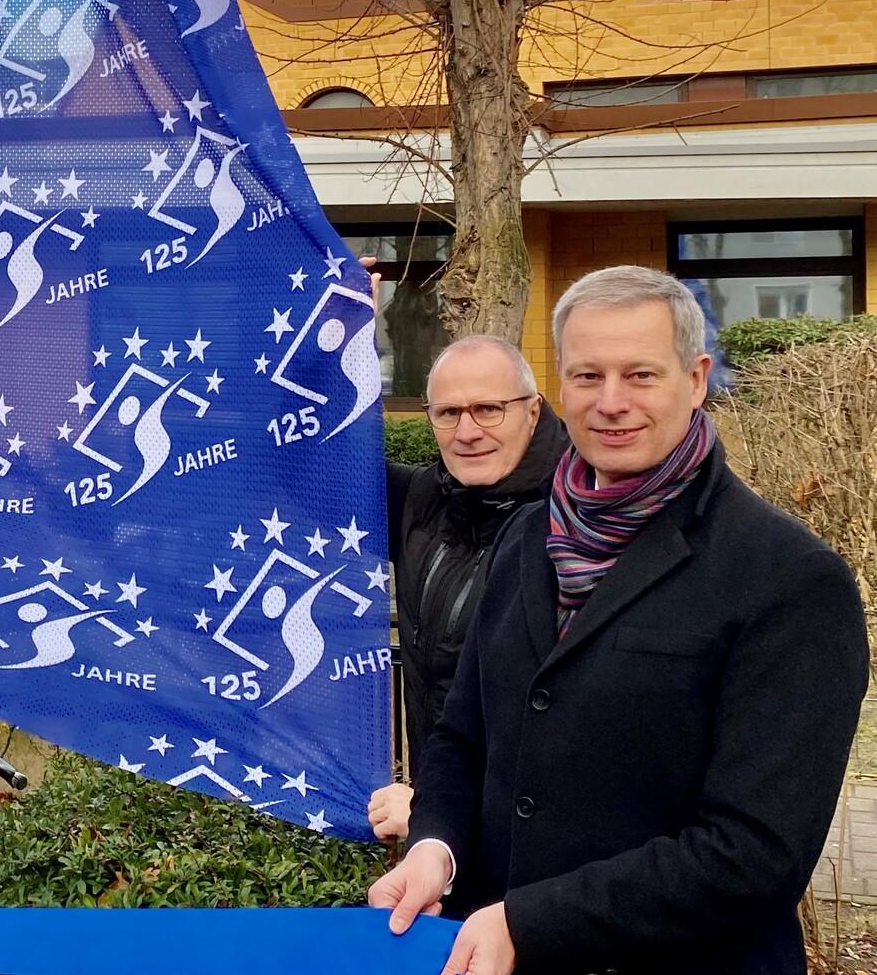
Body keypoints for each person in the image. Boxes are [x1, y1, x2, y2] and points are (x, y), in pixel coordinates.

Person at [371, 266, 868, 975]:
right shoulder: (527, 538)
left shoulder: (788, 579)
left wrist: (531, 920)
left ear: (695, 379)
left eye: (639, 375)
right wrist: (435, 848)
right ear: (560, 388)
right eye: (586, 376)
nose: (610, 403)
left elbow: (755, 853)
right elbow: (463, 734)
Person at [368, 335, 566, 843]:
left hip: (540, 855)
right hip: (443, 843)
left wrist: (436, 809)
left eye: (488, 409)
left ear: (533, 410)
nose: (468, 431)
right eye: (448, 413)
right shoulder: (424, 501)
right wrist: (333, 340)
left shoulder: (583, 524)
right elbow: (305, 460)